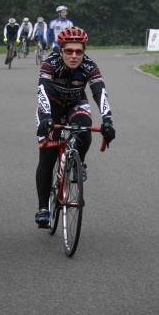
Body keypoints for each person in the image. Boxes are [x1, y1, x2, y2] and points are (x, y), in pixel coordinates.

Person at [34, 26, 115, 228]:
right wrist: (45, 118)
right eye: (69, 51)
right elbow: (42, 91)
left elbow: (100, 93)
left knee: (84, 129)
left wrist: (107, 120)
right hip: (50, 108)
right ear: (60, 50)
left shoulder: (89, 66)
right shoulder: (49, 64)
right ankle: (43, 208)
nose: (74, 56)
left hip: (75, 104)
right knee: (48, 157)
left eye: (79, 51)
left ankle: (80, 163)